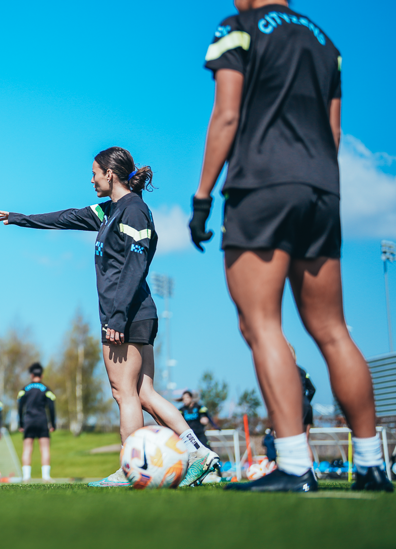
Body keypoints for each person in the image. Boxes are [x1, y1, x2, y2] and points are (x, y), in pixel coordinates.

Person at [190, 0, 392, 492]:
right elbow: (335, 131)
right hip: (322, 188)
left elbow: (227, 116)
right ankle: (372, 465)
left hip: (262, 186)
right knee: (333, 330)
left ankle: (295, 465)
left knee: (260, 324)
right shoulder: (327, 42)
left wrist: (202, 197)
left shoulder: (237, 28)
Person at [0, 147, 220, 488]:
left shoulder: (133, 211)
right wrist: (19, 218)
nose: (91, 179)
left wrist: (116, 318)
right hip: (133, 313)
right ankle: (199, 452)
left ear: (110, 174)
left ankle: (128, 469)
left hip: (127, 314)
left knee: (124, 393)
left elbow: (136, 265)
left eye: (94, 173)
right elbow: (65, 218)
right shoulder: (108, 211)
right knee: (145, 393)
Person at [16, 363, 56, 482]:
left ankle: (26, 477)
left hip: (28, 421)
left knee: (27, 449)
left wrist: (20, 423)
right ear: (42, 376)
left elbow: (20, 406)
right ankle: (46, 476)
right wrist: (53, 423)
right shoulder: (46, 389)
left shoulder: (24, 389)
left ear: (31, 375)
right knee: (44, 449)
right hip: (42, 421)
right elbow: (51, 407)